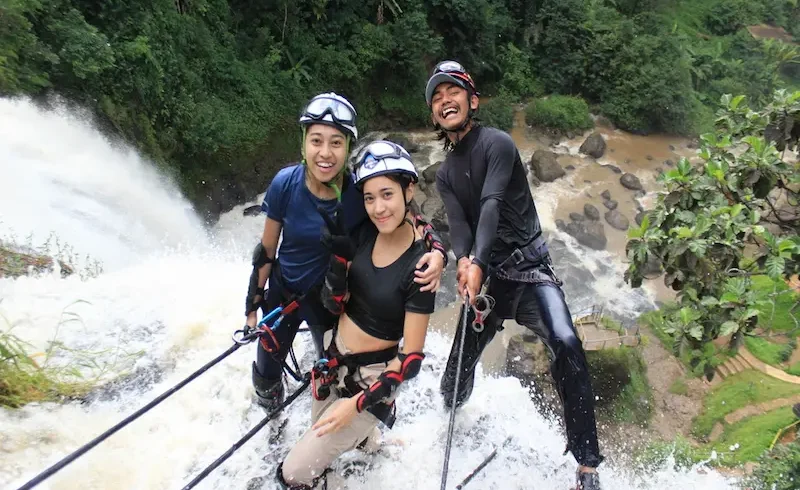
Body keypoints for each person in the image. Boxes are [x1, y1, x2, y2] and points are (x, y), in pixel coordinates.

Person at [425, 61, 604, 490]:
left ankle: (587, 465)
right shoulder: (446, 173)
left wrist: (476, 262)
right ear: (433, 114)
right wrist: (464, 260)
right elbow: (461, 224)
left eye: (453, 91)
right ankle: (451, 416)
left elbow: (490, 203)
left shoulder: (498, 144)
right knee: (455, 374)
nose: (445, 100)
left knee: (564, 341)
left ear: (473, 100)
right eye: (436, 96)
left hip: (528, 272)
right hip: (489, 284)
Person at [244, 93, 448, 412]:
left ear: (348, 147)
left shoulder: (359, 194)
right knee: (264, 375)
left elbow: (409, 216)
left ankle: (340, 428)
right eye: (316, 141)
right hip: (283, 294)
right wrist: (252, 305)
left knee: (331, 375)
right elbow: (266, 252)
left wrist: (437, 252)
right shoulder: (285, 184)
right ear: (304, 144)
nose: (325, 153)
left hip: (329, 300)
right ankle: (273, 416)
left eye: (336, 143)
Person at [275, 140, 435, 489]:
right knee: (322, 441)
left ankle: (366, 427)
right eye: (369, 197)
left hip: (371, 382)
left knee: (294, 474)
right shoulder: (365, 233)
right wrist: (336, 269)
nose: (378, 207)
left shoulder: (420, 266)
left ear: (409, 190)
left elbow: (411, 360)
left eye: (387, 194)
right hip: (333, 363)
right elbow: (336, 302)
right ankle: (368, 441)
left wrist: (357, 405)